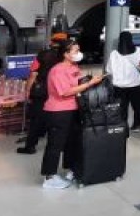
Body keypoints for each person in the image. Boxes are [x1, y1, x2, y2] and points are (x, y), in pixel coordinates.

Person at [39, 41, 104, 189]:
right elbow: (66, 92)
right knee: (56, 144)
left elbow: (78, 82)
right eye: (75, 51)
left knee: (71, 142)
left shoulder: (74, 67)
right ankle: (49, 176)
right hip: (58, 111)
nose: (78, 53)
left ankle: (71, 170)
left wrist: (90, 80)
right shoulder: (57, 70)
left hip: (73, 109)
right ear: (65, 54)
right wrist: (89, 84)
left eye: (78, 50)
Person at [17, 33, 71, 154]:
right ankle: (60, 145)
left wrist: (27, 90)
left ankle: (30, 146)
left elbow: (33, 74)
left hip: (42, 91)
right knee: (59, 118)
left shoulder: (43, 54)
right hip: (61, 91)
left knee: (37, 119)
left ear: (52, 42)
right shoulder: (68, 56)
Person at [107, 30, 140, 139]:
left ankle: (123, 132)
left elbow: (109, 70)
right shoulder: (139, 51)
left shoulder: (114, 53)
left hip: (118, 86)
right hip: (135, 85)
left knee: (121, 110)